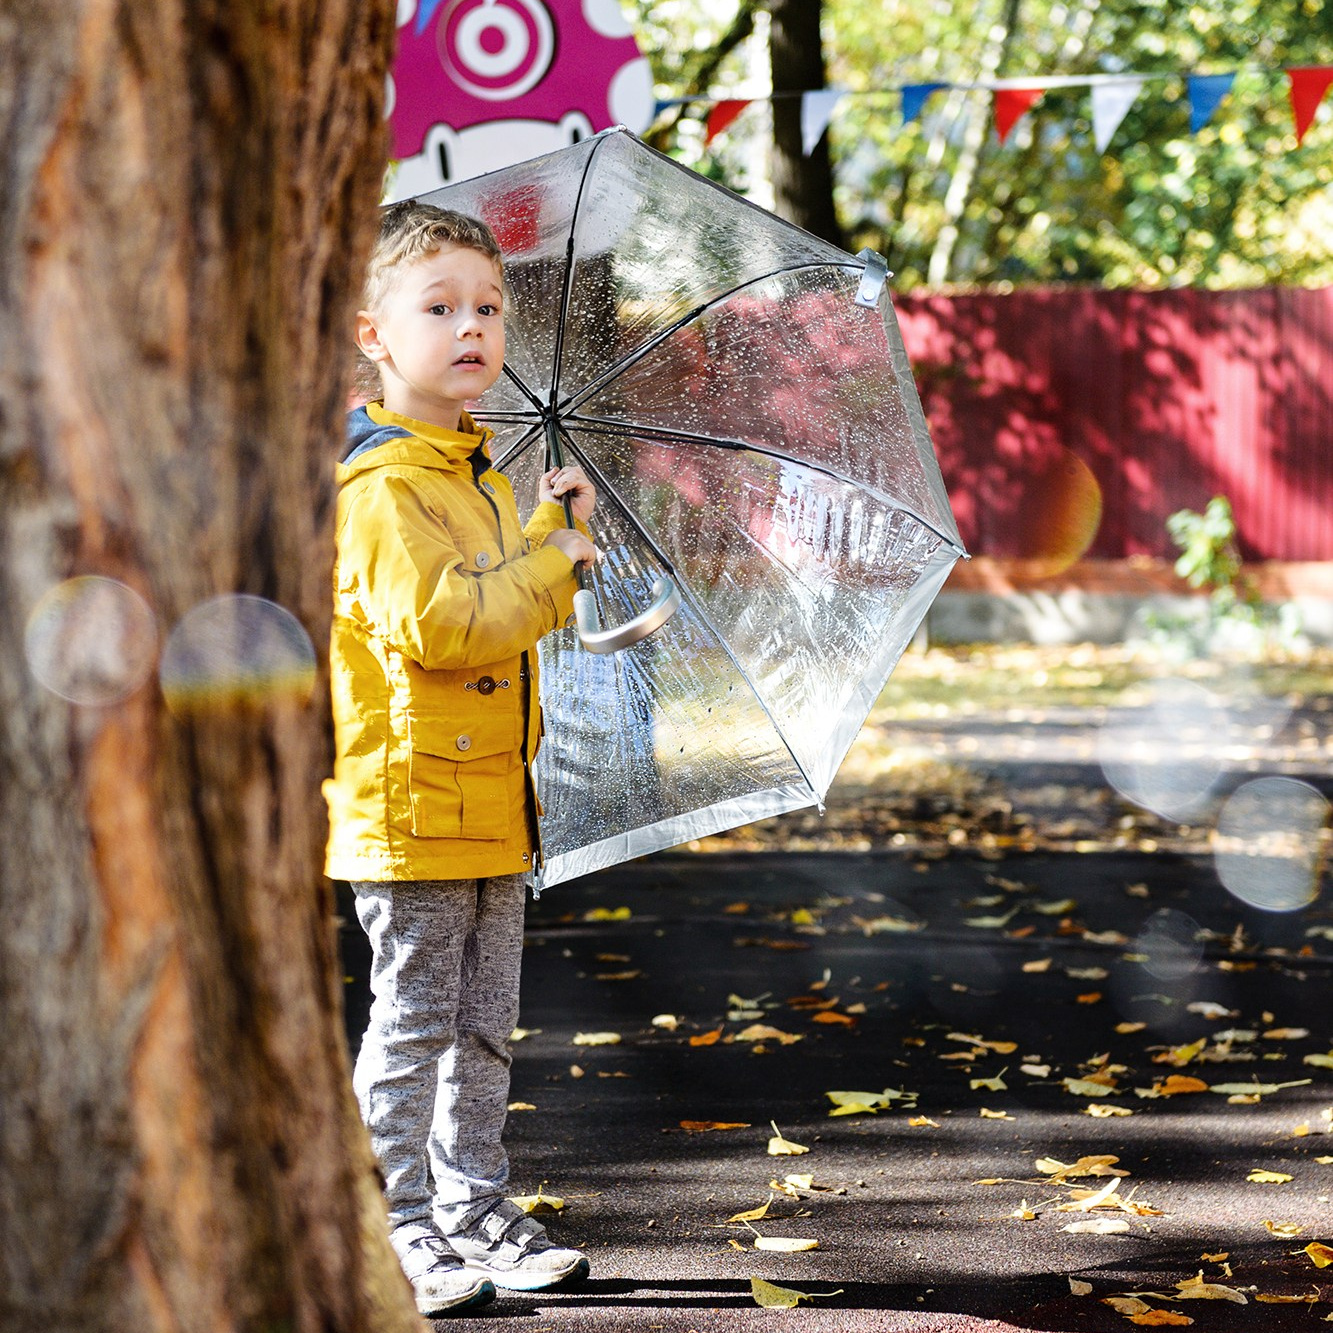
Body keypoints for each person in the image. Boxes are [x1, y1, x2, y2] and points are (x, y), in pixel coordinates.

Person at [324, 201, 598, 1316]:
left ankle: (473, 1202)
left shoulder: (477, 471)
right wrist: (551, 567)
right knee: (413, 1025)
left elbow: (496, 607)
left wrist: (546, 534)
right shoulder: (385, 490)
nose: (471, 326)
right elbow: (444, 628)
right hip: (410, 812)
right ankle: (389, 1224)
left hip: (492, 806)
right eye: (438, 307)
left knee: (483, 1026)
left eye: (487, 305)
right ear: (374, 335)